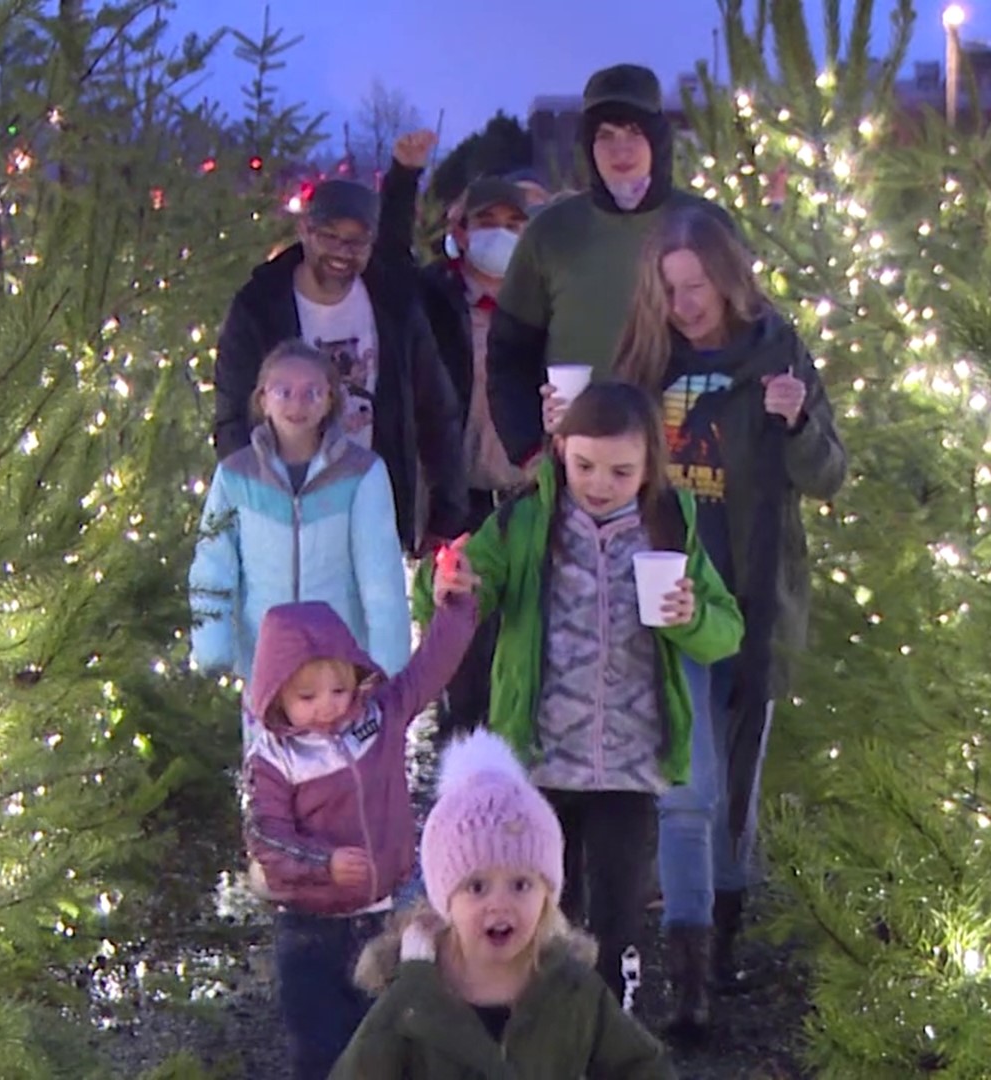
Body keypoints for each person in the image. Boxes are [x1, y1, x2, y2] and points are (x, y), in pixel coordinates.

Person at [415, 380, 743, 995]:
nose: (599, 483)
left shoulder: (670, 523)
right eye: (585, 465)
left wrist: (689, 616)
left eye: (621, 471)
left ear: (650, 465)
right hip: (540, 762)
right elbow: (458, 588)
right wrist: (448, 584)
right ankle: (535, 1036)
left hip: (629, 764)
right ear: (561, 447)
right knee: (540, 916)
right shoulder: (525, 520)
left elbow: (725, 630)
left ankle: (607, 1032)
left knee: (616, 925)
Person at [611, 207, 846, 1028]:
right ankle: (690, 986)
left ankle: (724, 948)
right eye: (670, 290)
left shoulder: (777, 349)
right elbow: (603, 460)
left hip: (751, 602)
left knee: (731, 800)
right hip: (667, 600)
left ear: (727, 277)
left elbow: (829, 475)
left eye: (696, 286)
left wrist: (797, 420)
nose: (684, 305)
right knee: (687, 789)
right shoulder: (645, 356)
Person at [241, 548, 480, 1080]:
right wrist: (321, 863)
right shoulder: (274, 760)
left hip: (386, 911)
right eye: (306, 696)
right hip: (311, 929)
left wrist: (456, 607)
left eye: (339, 688)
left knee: (392, 1042)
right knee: (321, 1049)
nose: (327, 705)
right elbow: (266, 838)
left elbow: (430, 669)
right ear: (276, 696)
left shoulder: (378, 717)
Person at [328, 729, 675, 1079]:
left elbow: (643, 1068)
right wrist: (408, 991)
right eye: (477, 887)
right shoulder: (411, 997)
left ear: (548, 895)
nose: (500, 904)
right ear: (444, 899)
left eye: (521, 885)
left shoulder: (571, 988)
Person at [486, 63, 735, 466]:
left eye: (635, 133)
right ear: (588, 146)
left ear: (658, 140)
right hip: (581, 471)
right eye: (606, 136)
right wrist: (529, 449)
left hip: (691, 466)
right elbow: (509, 355)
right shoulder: (551, 231)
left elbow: (751, 341)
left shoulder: (707, 226)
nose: (621, 150)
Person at [376, 129, 537, 746]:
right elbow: (388, 259)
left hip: (528, 502)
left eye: (513, 221)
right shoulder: (431, 300)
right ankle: (460, 816)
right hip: (459, 506)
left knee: (524, 664)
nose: (500, 232)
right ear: (461, 230)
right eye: (485, 220)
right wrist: (403, 176)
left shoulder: (544, 307)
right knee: (461, 669)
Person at [213, 178, 467, 556]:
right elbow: (233, 417)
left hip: (376, 509)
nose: (341, 252)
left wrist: (447, 517)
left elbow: (435, 409)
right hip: (287, 514)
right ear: (305, 231)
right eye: (329, 236)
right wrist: (257, 503)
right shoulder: (260, 307)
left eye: (356, 241)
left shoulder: (395, 306)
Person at [189, 340, 411, 686]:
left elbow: (381, 576)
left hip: (339, 668)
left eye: (312, 393)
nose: (297, 403)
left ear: (330, 402)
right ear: (263, 399)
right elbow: (213, 564)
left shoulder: (361, 474)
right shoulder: (236, 476)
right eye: (284, 391)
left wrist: (388, 665)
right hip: (265, 666)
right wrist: (212, 645)